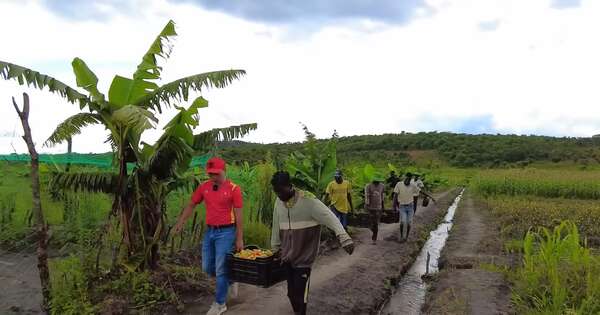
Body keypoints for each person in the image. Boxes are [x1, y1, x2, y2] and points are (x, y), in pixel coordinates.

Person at [271, 171, 354, 315]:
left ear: (290, 186)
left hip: (304, 258)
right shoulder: (279, 202)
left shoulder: (308, 200)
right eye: (276, 192)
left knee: (300, 297)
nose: (279, 196)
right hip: (287, 258)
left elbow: (330, 217)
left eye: (281, 192)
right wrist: (275, 247)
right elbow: (275, 224)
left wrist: (344, 238)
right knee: (291, 294)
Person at [174, 157, 243, 315]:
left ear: (224, 171)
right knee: (207, 267)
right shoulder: (204, 187)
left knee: (220, 268)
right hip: (210, 231)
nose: (213, 177)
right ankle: (231, 280)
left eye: (216, 174)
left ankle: (219, 304)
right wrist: (180, 223)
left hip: (226, 232)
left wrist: (239, 238)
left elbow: (239, 215)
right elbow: (191, 204)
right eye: (210, 174)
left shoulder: (234, 189)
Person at [392, 173, 417, 242]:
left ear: (410, 180)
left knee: (409, 222)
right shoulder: (399, 184)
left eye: (408, 179)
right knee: (402, 221)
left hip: (410, 206)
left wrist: (415, 206)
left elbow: (417, 193)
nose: (407, 181)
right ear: (404, 178)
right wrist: (394, 206)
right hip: (402, 206)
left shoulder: (413, 185)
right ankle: (402, 236)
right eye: (406, 179)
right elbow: (395, 195)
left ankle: (406, 236)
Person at [365, 178, 385, 244]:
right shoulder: (368, 186)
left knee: (376, 223)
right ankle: (372, 229)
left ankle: (374, 239)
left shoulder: (382, 186)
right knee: (371, 223)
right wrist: (367, 205)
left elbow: (382, 196)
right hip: (370, 207)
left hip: (378, 207)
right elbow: (367, 196)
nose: (377, 182)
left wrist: (383, 206)